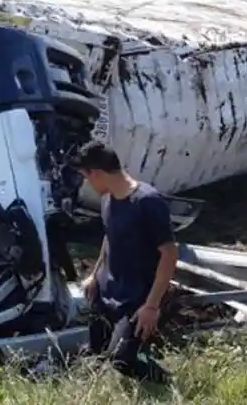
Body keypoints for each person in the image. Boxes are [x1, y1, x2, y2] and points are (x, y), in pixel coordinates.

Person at [71, 140, 178, 382]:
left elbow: (169, 255)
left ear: (96, 173)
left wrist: (151, 306)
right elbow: (109, 237)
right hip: (107, 289)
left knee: (122, 360)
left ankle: (167, 383)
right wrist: (94, 276)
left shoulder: (148, 202)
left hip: (137, 298)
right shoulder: (108, 200)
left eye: (86, 178)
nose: (87, 184)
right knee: (94, 351)